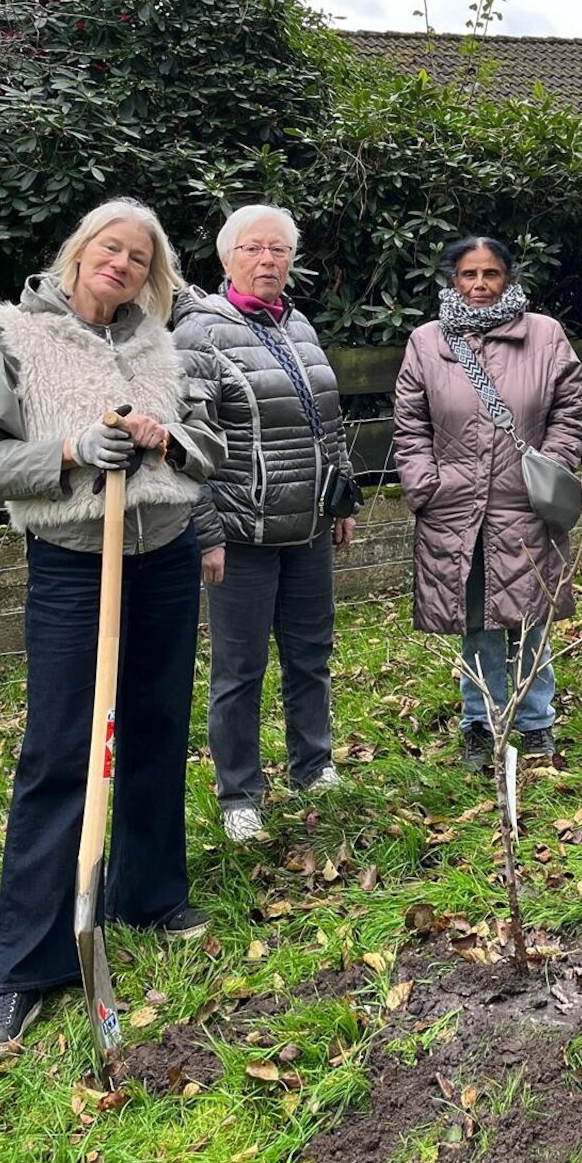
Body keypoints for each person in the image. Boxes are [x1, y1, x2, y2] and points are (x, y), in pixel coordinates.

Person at [0, 199, 226, 1053]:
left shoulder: (162, 342)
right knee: (64, 747)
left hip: (166, 553)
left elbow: (209, 446)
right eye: (112, 248)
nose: (123, 265)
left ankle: (146, 892)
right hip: (75, 562)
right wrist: (70, 450)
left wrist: (167, 440)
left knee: (153, 726)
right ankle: (27, 966)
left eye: (140, 259)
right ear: (80, 249)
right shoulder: (11, 333)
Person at [172, 205, 358, 843]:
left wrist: (341, 499)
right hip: (240, 537)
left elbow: (326, 421)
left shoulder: (299, 324)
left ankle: (314, 764)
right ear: (228, 259)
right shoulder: (200, 335)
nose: (268, 261)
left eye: (279, 250)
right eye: (254, 249)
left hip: (307, 531)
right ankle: (239, 794)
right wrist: (205, 533)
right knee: (238, 669)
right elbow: (184, 443)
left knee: (311, 655)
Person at [393, 235, 582, 771]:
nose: (479, 285)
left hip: (524, 504)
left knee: (530, 619)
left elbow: (569, 408)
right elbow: (410, 422)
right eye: (468, 275)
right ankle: (479, 722)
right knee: (474, 618)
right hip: (454, 509)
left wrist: (548, 468)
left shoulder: (544, 335)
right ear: (453, 281)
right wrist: (424, 484)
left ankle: (535, 722)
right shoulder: (427, 340)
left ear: (509, 277)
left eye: (491, 274)